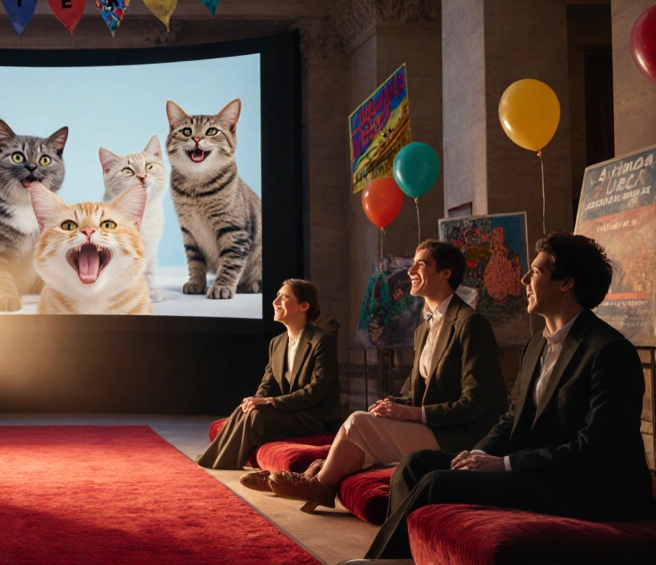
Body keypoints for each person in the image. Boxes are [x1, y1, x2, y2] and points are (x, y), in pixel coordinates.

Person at [365, 232, 655, 559]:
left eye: (536, 271)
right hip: (534, 469)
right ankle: (396, 559)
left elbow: (596, 450)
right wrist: (473, 457)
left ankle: (380, 562)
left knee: (436, 483)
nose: (524, 278)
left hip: (587, 487)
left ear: (566, 284)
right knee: (414, 464)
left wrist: (503, 464)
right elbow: (510, 420)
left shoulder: (609, 351)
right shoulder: (535, 346)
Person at [267, 240, 508, 512]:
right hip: (434, 427)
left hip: (459, 436)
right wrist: (391, 405)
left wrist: (413, 414)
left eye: (421, 264)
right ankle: (317, 473)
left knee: (358, 422)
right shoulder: (424, 328)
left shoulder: (470, 323)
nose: (410, 271)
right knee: (368, 417)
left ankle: (320, 483)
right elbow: (411, 393)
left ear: (445, 273)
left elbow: (474, 403)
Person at [196, 279, 342, 476]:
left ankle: (221, 463)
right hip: (290, 413)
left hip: (314, 418)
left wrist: (271, 401)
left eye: (284, 297)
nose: (275, 302)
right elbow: (267, 384)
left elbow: (314, 391)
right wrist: (256, 400)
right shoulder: (277, 343)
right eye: (277, 296)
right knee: (246, 409)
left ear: (304, 306)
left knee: (258, 414)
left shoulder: (322, 341)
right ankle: (212, 460)